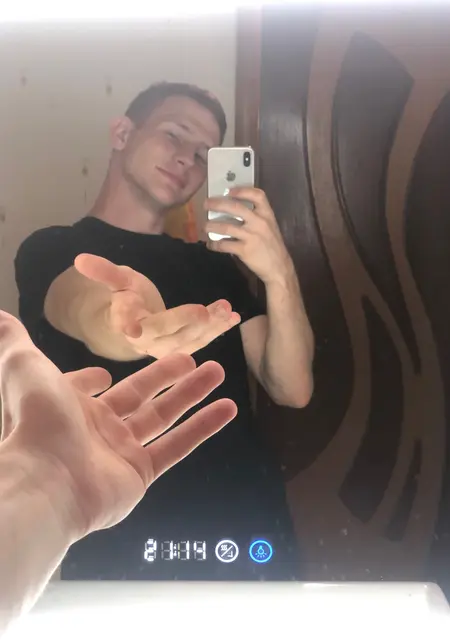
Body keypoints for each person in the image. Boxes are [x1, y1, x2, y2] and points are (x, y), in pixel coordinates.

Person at [14, 82, 314, 581]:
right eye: (175, 134)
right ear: (122, 133)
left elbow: (293, 387)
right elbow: (80, 302)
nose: (187, 159)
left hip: (246, 524)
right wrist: (127, 326)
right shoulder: (51, 248)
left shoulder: (214, 267)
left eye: (203, 153)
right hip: (118, 528)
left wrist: (278, 272)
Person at [0, 310, 237, 635]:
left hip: (224, 484)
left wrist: (45, 478)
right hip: (117, 537)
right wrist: (48, 476)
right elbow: (74, 304)